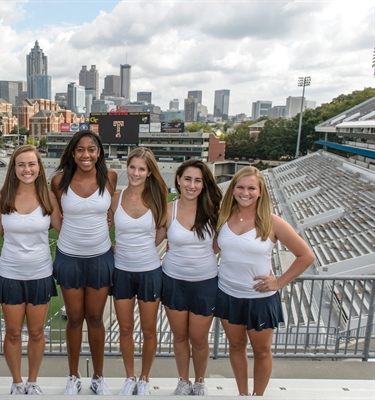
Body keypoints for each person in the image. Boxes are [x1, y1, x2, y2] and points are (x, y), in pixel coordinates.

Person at [214, 166, 315, 396]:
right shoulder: (223, 217)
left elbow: (306, 255)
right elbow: (213, 248)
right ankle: (243, 394)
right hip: (228, 294)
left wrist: (279, 282)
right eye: (240, 187)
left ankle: (257, 395)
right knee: (236, 346)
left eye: (251, 188)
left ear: (261, 192)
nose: (245, 192)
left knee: (261, 351)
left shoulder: (272, 222)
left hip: (259, 298)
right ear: (233, 189)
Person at [50, 130, 118, 396]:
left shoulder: (109, 177)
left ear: (99, 152)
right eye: (80, 149)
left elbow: (112, 211)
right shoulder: (58, 181)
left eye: (91, 149)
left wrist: (110, 226)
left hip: (100, 257)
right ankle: (73, 376)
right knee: (75, 319)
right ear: (73, 152)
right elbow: (53, 215)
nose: (86, 155)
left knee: (96, 318)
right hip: (69, 257)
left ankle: (99, 377)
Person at [0, 145, 62, 395]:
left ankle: (32, 381)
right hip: (9, 275)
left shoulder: (48, 197)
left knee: (36, 332)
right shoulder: (1, 198)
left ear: (39, 168)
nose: (27, 169)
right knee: (12, 333)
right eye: (21, 164)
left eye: (31, 164)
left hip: (40, 275)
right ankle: (16, 381)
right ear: (13, 168)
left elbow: (65, 229)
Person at [158, 159, 222, 396]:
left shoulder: (214, 212)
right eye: (187, 179)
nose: (192, 185)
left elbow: (217, 246)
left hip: (205, 283)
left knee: (199, 339)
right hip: (173, 281)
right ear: (178, 180)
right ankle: (183, 381)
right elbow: (154, 240)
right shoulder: (168, 209)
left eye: (197, 180)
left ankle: (200, 381)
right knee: (180, 336)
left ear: (204, 185)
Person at [108, 148, 168, 396]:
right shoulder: (115, 198)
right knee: (124, 329)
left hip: (149, 272)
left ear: (149, 172)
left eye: (141, 169)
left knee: (149, 329)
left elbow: (163, 229)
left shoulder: (158, 199)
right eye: (132, 167)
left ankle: (144, 377)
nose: (135, 172)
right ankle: (129, 376)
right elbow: (105, 223)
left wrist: (144, 248)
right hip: (121, 271)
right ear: (127, 167)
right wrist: (111, 246)